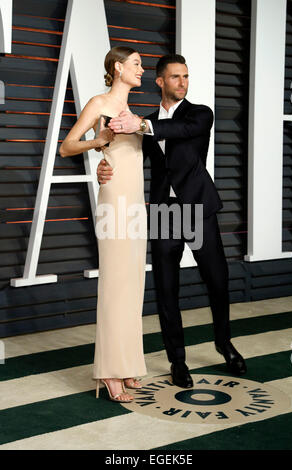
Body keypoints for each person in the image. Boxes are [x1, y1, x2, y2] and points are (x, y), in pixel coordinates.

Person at [97, 54, 247, 388]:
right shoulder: (144, 122)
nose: (183, 82)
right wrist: (103, 168)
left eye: (186, 76)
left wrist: (143, 126)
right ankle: (177, 361)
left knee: (218, 281)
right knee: (166, 289)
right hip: (165, 213)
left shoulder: (199, 114)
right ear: (160, 81)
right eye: (176, 77)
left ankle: (224, 343)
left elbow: (182, 129)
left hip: (197, 208)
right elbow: (128, 158)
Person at [59, 46, 147, 402]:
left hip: (136, 203)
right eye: (137, 64)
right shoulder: (99, 104)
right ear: (118, 67)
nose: (141, 70)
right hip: (113, 199)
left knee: (133, 283)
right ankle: (109, 372)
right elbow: (67, 146)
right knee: (114, 283)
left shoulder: (134, 112)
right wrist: (99, 142)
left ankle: (126, 364)